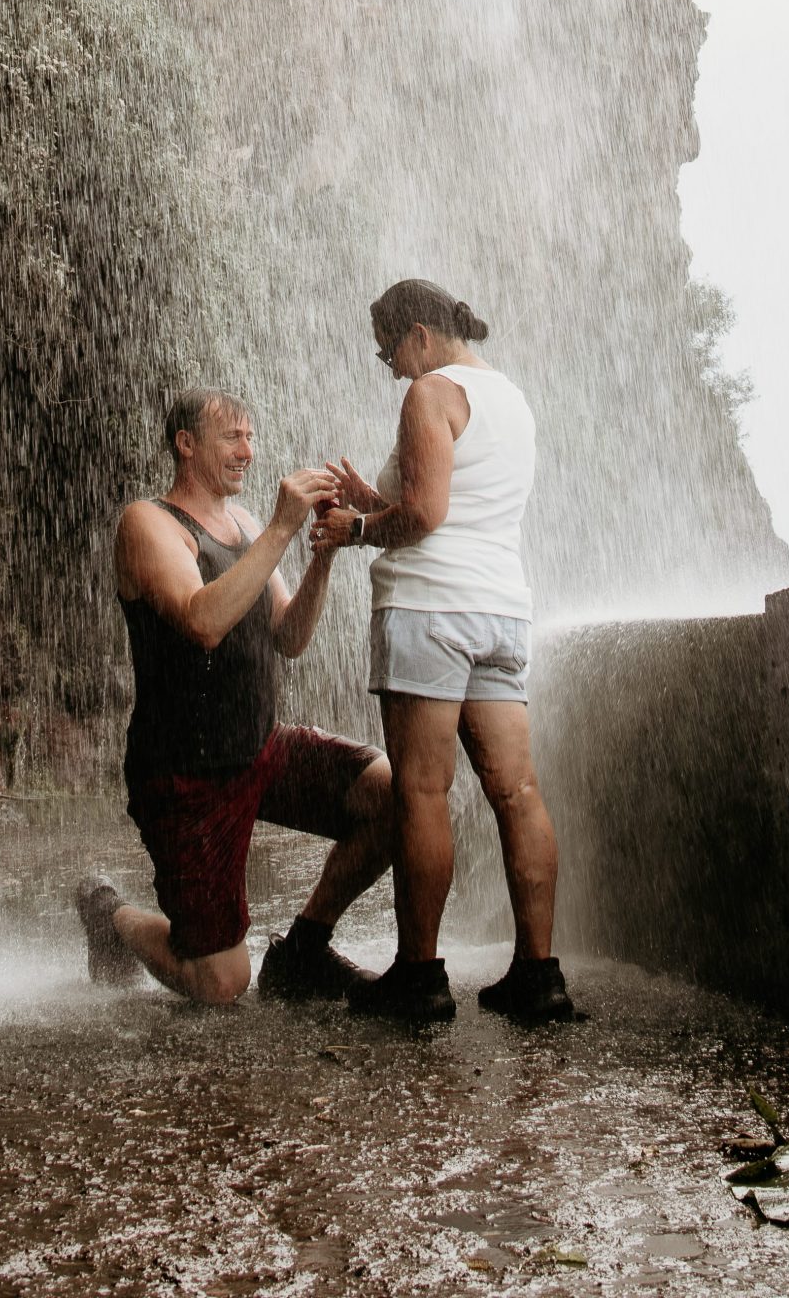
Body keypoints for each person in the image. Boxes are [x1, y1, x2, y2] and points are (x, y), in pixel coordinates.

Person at [310, 278, 579, 1026]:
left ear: (420, 336)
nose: (392, 367)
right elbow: (456, 509)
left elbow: (425, 518)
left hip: (430, 611)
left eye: (389, 350)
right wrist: (369, 496)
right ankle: (538, 976)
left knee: (420, 793)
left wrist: (354, 532)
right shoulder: (512, 399)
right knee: (516, 792)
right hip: (500, 612)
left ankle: (419, 978)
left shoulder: (429, 394)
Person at [75, 388, 393, 1004]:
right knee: (220, 982)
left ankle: (304, 946)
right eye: (231, 438)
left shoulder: (245, 525)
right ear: (185, 444)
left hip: (261, 749)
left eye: (250, 437)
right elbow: (203, 622)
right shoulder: (147, 523)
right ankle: (109, 912)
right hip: (186, 776)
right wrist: (280, 527)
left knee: (395, 794)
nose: (248, 452)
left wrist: (321, 556)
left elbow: (289, 638)